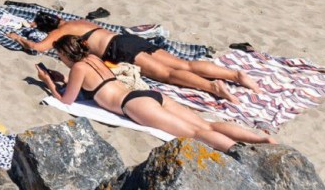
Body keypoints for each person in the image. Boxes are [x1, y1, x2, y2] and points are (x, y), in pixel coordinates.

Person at [37, 35, 275, 151]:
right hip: (150, 94)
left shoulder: (78, 67)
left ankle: (238, 152)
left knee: (196, 132)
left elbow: (67, 100)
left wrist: (49, 82)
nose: (61, 60)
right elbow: (92, 83)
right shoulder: (93, 58)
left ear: (66, 55)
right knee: (207, 125)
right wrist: (64, 79)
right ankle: (263, 140)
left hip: (134, 104)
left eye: (60, 56)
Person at [9, 14, 257, 101]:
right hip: (127, 40)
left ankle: (212, 86)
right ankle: (235, 75)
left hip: (119, 51)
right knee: (183, 64)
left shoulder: (60, 32)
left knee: (169, 75)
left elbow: (38, 48)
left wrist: (20, 39)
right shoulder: (78, 22)